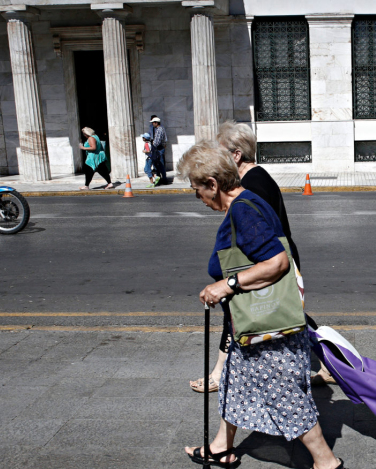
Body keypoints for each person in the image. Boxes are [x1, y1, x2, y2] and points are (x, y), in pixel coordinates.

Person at [178, 140, 345, 469]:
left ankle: (326, 462)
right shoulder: (249, 200)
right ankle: (221, 448)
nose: (198, 197)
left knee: (286, 396)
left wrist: (225, 286)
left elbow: (277, 262)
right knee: (233, 384)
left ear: (213, 184)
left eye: (197, 189)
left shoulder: (243, 211)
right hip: (249, 325)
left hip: (267, 329)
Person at [189, 121, 335, 394]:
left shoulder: (250, 187)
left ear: (235, 155)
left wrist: (229, 282)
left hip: (269, 263)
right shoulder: (256, 179)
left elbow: (266, 247)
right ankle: (336, 362)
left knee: (256, 318)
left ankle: (220, 375)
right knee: (292, 316)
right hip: (274, 261)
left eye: (221, 154)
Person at [150, 116, 168, 185]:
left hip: (158, 149)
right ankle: (161, 178)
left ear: (156, 123)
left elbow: (157, 142)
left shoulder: (159, 130)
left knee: (159, 164)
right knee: (159, 164)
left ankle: (163, 179)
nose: (152, 124)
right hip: (160, 148)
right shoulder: (161, 129)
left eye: (153, 123)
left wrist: (152, 144)